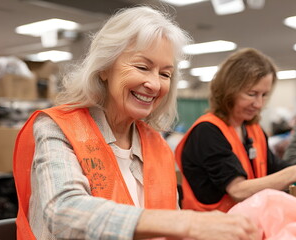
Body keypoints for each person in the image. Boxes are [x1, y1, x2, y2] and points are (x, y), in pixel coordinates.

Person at [13, 6, 258, 240]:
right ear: (105, 68)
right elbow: (62, 212)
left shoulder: (157, 146)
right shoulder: (58, 128)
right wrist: (187, 222)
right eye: (142, 67)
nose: (154, 84)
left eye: (165, 74)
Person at [175, 48, 296, 212]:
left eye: (264, 95)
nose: (258, 104)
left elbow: (278, 168)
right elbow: (238, 190)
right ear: (228, 91)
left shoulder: (252, 129)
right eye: (251, 94)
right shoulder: (207, 132)